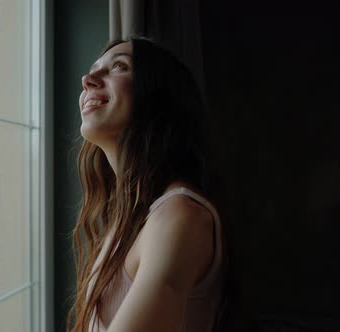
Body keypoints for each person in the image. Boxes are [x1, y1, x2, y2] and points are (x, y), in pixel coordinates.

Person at [67, 37, 225, 332]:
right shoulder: (130, 216)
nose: (87, 80)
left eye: (118, 66)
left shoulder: (179, 216)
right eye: (92, 70)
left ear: (159, 96)